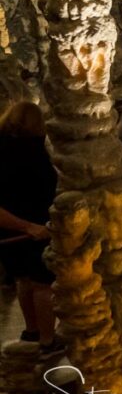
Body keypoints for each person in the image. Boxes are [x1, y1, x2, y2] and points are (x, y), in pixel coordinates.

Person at [0, 101, 60, 354]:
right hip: (34, 228)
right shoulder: (32, 151)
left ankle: (32, 330)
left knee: (23, 279)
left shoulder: (2, 146)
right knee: (42, 284)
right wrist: (31, 226)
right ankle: (48, 339)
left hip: (9, 229)